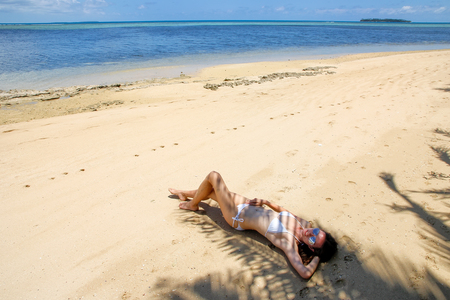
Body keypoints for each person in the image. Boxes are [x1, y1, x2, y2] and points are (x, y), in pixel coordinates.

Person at [169, 171, 337, 279]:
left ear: (312, 248)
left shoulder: (288, 243)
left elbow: (305, 273)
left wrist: (317, 258)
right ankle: (183, 193)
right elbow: (283, 210)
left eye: (313, 239)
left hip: (236, 217)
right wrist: (266, 202)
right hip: (249, 206)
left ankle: (192, 204)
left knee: (214, 177)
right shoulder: (304, 224)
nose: (311, 233)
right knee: (212, 192)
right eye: (316, 231)